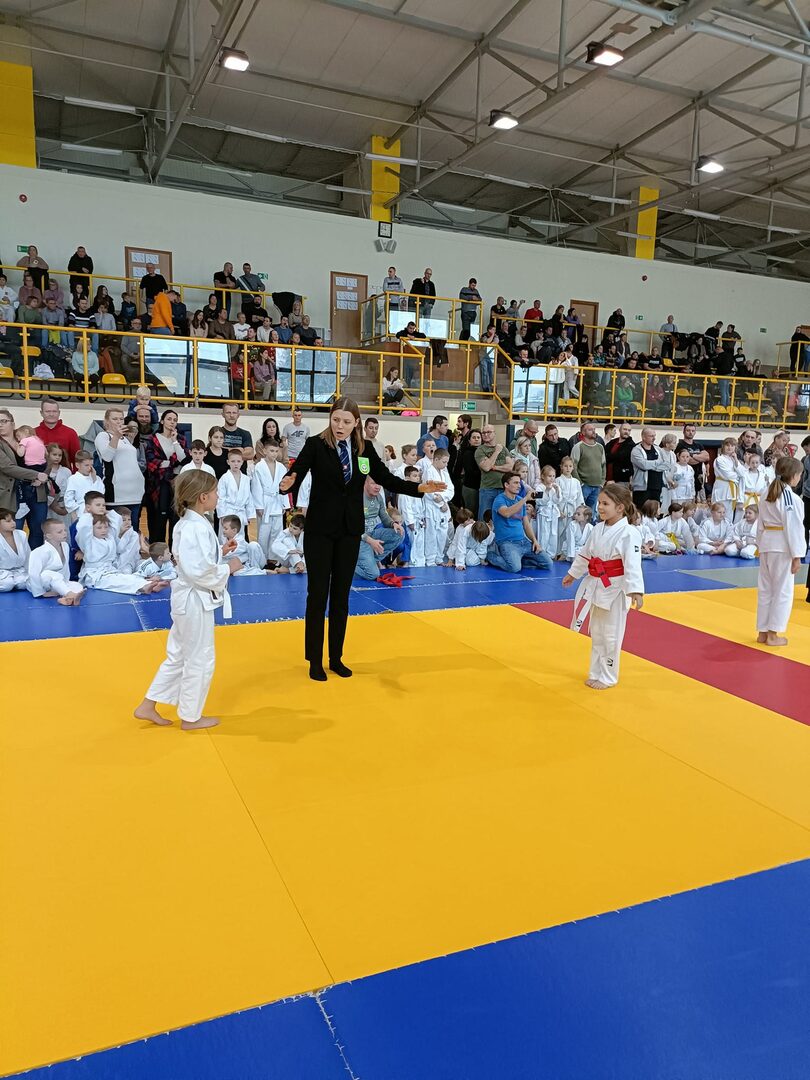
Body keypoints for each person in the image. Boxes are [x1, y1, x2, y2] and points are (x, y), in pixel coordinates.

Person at [279, 397, 443, 681]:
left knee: (341, 596)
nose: (339, 426)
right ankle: (315, 660)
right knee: (317, 596)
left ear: (356, 422)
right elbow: (298, 471)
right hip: (319, 532)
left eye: (346, 421)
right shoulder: (316, 445)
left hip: (349, 532)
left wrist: (418, 488)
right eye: (335, 420)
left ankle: (336, 657)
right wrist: (288, 483)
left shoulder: (363, 449)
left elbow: (386, 479)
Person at [135, 470, 242, 730]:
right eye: (215, 492)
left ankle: (148, 705)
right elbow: (199, 571)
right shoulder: (194, 526)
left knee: (180, 655)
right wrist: (228, 568)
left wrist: (220, 552)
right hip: (194, 602)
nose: (218, 496)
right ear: (203, 497)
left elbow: (195, 561)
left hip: (187, 599)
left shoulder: (191, 522)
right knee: (199, 657)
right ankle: (191, 716)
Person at [563, 482, 644, 689]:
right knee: (597, 633)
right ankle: (596, 672)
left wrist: (635, 590)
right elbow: (585, 554)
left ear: (620, 507)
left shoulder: (629, 532)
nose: (599, 507)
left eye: (605, 503)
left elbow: (633, 564)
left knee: (611, 635)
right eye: (599, 502)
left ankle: (608, 676)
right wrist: (573, 573)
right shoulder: (598, 528)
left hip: (616, 589)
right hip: (597, 585)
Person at [755, 456, 806, 646]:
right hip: (782, 546)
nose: (799, 478)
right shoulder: (789, 497)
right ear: (793, 475)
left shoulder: (766, 492)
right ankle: (773, 634)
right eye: (799, 475)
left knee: (766, 590)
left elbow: (760, 523)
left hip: (767, 544)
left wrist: (760, 545)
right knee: (783, 591)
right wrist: (797, 555)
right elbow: (794, 527)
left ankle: (762, 632)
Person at [487, 472, 553, 574]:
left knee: (548, 563)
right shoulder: (499, 500)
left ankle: (520, 559)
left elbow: (526, 525)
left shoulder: (519, 500)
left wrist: (534, 541)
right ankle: (490, 556)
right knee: (514, 568)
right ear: (506, 485)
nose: (519, 486)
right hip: (507, 542)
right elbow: (507, 513)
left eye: (519, 483)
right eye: (516, 483)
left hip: (523, 541)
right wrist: (525, 499)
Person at [143, 409, 188, 543]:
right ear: (162, 421)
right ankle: (158, 549)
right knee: (159, 519)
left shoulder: (180, 439)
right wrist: (172, 463)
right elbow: (151, 462)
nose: (172, 422)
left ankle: (174, 550)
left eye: (175, 420)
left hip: (176, 482)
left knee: (175, 517)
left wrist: (174, 441)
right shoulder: (153, 439)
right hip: (158, 483)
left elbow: (183, 459)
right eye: (169, 419)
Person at [95, 407, 145, 523]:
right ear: (107, 421)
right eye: (115, 419)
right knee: (116, 527)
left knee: (132, 528)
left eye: (121, 419)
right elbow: (107, 457)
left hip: (135, 492)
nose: (119, 422)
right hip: (117, 493)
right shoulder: (103, 436)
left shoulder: (125, 439)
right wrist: (116, 436)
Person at [27, 519, 85, 604]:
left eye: (65, 530)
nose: (64, 533)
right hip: (43, 583)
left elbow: (65, 568)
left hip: (57, 583)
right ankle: (70, 594)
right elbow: (33, 574)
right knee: (52, 575)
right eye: (59, 532)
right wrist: (41, 593)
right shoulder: (39, 552)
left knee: (78, 585)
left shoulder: (65, 546)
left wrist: (65, 581)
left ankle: (65, 599)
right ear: (49, 536)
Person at [251, 439, 286, 558]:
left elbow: (284, 486)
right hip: (265, 502)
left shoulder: (281, 467)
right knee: (263, 533)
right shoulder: (259, 467)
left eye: (276, 451)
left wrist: (284, 504)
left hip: (277, 501)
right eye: (271, 451)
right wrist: (259, 506)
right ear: (265, 451)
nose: (274, 454)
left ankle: (274, 558)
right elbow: (256, 487)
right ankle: (262, 558)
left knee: (277, 532)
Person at [475, 425, 514, 518]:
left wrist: (494, 467)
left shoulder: (503, 448)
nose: (485, 434)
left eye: (488, 432)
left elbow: (510, 467)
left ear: (494, 433)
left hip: (503, 488)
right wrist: (496, 452)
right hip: (488, 489)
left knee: (501, 517)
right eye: (483, 433)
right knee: (484, 517)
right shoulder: (480, 450)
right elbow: (486, 467)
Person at [570, 423, 606, 515]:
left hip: (597, 486)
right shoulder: (578, 447)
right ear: (583, 432)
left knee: (592, 514)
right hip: (584, 486)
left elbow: (603, 465)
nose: (593, 431)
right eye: (590, 430)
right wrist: (580, 483)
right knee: (580, 512)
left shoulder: (600, 447)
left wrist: (602, 482)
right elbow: (573, 466)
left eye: (594, 429)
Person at [217, 448, 254, 534]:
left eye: (238, 461)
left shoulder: (246, 479)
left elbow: (249, 497)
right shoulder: (224, 478)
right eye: (233, 461)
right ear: (228, 462)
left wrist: (249, 515)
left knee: (239, 537)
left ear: (242, 462)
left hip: (240, 512)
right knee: (226, 537)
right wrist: (222, 515)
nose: (236, 464)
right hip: (228, 512)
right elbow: (220, 498)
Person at [630, 427, 667, 511]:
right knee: (641, 512)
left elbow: (666, 464)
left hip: (657, 487)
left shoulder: (658, 449)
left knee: (655, 513)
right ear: (643, 437)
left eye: (654, 436)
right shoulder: (636, 450)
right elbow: (644, 465)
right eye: (651, 436)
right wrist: (658, 463)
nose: (654, 438)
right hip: (642, 488)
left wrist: (650, 464)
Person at [0, 505, 30, 591]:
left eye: (13, 520)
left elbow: (28, 556)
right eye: (8, 521)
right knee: (7, 585)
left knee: (24, 583)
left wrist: (30, 572)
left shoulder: (21, 534)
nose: (13, 523)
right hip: (2, 572)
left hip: (20, 571)